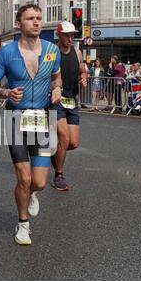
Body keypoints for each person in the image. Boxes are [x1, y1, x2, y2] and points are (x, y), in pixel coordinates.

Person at [0, 4, 62, 245]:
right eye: (30, 18)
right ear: (19, 24)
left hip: (41, 119)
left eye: (39, 18)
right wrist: (7, 92)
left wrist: (58, 87)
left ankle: (31, 195)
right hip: (16, 118)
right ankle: (22, 224)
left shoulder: (52, 50)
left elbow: (56, 76)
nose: (37, 22)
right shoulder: (7, 52)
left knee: (39, 182)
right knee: (24, 177)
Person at [51, 21, 87, 191]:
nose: (70, 38)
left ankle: (55, 151)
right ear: (59, 35)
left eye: (72, 34)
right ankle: (59, 175)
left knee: (72, 143)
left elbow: (82, 68)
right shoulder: (52, 52)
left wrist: (84, 76)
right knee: (64, 137)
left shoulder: (77, 52)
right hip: (56, 100)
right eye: (67, 34)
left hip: (72, 100)